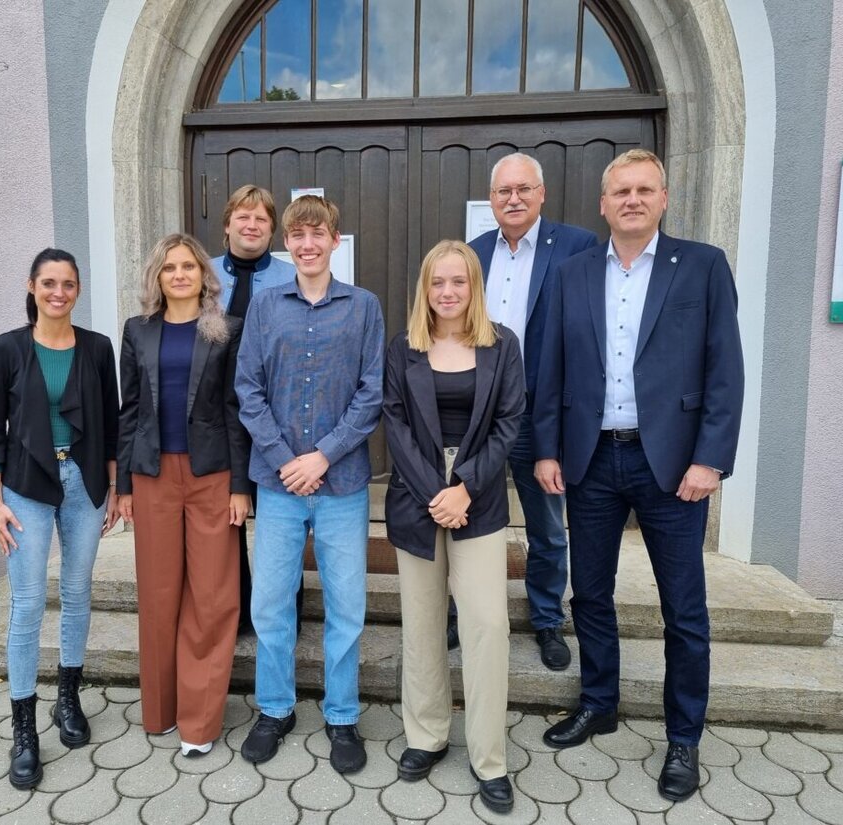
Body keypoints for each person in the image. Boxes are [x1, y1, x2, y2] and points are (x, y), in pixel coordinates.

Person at [533, 149, 744, 802]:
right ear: (602, 204)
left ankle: (685, 736)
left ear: (664, 197)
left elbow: (724, 369)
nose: (631, 198)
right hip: (591, 460)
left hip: (673, 466)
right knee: (589, 593)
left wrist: (710, 458)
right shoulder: (570, 275)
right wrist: (546, 449)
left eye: (643, 189)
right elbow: (551, 368)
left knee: (683, 609)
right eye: (619, 190)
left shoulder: (702, 267)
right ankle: (599, 700)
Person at [235, 195, 384, 774]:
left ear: (335, 241)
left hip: (342, 483)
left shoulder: (364, 306)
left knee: (346, 606)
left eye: (316, 233)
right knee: (271, 603)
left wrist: (320, 457)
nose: (307, 243)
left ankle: (342, 716)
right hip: (276, 486)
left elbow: (372, 391)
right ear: (287, 244)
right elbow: (247, 389)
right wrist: (283, 459)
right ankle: (275, 708)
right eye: (296, 235)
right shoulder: (267, 308)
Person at [383, 240, 525, 814]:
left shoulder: (502, 345)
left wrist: (464, 485)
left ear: (474, 287)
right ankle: (426, 736)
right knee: (421, 624)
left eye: (458, 282)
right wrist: (435, 491)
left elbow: (511, 421)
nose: (448, 292)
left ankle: (489, 758)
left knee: (487, 625)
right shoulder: (403, 347)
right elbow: (392, 420)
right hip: (417, 493)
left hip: (480, 495)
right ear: (425, 287)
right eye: (438, 282)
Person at [0, 248, 120, 789]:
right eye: (48, 283)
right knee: (28, 601)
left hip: (83, 485)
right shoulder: (6, 349)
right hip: (24, 490)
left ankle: (67, 698)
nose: (58, 292)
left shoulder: (97, 348)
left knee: (80, 592)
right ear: (32, 287)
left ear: (78, 290)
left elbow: (109, 423)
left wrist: (111, 486)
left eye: (67, 284)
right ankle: (23, 729)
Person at [115, 233, 251, 757]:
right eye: (169, 267)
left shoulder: (225, 330)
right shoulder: (137, 331)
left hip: (212, 475)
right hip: (152, 477)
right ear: (157, 276)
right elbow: (129, 412)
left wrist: (241, 485)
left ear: (203, 275)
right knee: (158, 594)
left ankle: (200, 720)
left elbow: (237, 411)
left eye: (188, 267)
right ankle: (162, 710)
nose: (178, 275)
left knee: (213, 597)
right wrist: (123, 485)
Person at [464, 152, 599, 667]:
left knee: (545, 526)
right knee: (467, 519)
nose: (513, 199)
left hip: (541, 417)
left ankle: (546, 620)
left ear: (542, 194)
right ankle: (464, 616)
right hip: (477, 416)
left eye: (523, 189)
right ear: (491, 199)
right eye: (503, 191)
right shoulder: (473, 254)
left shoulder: (578, 247)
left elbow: (586, 337)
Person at [209, 184, 300, 637]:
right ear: (227, 225)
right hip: (218, 419)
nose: (251, 225)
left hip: (273, 419)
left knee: (280, 519)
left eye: (261, 219)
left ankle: (286, 609)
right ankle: (237, 610)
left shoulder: (290, 278)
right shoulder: (202, 275)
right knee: (227, 519)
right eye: (242, 217)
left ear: (272, 230)